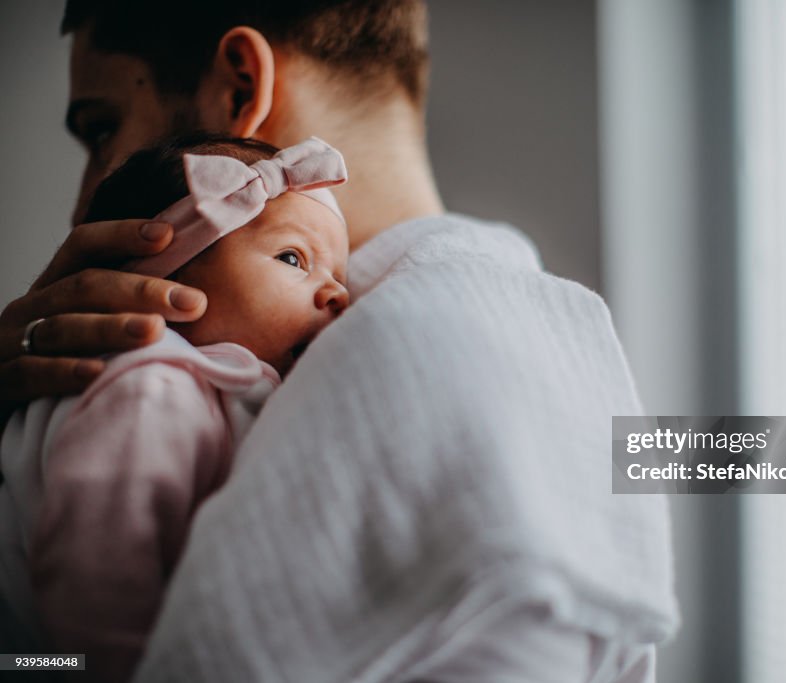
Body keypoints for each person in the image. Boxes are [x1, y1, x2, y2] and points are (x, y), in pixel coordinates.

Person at [0, 2, 679, 680]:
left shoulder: (396, 359)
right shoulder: (544, 332)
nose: (84, 200)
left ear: (241, 87)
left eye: (102, 129)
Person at [1, 134, 350, 681]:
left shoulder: (209, 379)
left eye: (339, 276)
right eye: (292, 258)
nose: (337, 295)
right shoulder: (152, 384)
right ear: (169, 282)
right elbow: (95, 570)